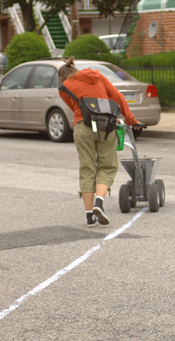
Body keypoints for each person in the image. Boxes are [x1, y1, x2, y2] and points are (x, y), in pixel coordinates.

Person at [58, 56, 141, 227]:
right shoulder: (97, 76)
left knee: (87, 167)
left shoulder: (63, 88)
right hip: (105, 126)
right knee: (107, 166)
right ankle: (99, 203)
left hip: (83, 127)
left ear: (61, 77)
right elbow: (117, 97)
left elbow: (76, 108)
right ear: (76, 70)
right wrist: (130, 120)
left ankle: (89, 216)